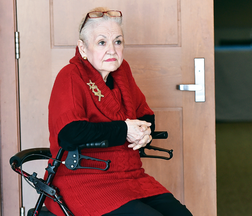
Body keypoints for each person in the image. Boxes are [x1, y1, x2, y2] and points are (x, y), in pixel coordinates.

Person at [45, 7, 193, 216]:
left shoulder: (123, 72)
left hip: (129, 175)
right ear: (83, 48)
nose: (112, 50)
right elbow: (70, 134)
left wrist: (144, 134)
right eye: (102, 42)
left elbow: (145, 114)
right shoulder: (70, 76)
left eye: (118, 41)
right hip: (84, 178)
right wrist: (124, 130)